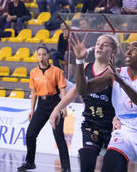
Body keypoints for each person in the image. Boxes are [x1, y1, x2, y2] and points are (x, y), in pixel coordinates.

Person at [49, 34, 118, 172]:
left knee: (112, 166)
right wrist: (57, 109)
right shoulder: (86, 67)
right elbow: (75, 91)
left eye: (105, 44)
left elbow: (124, 100)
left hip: (112, 126)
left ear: (113, 52)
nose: (100, 46)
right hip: (90, 124)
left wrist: (119, 116)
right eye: (98, 43)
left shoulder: (116, 73)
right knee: (87, 158)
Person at [72, 36, 137, 172]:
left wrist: (122, 83)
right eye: (127, 49)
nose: (128, 52)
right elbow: (83, 90)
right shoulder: (115, 73)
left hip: (116, 125)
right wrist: (79, 61)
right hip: (124, 133)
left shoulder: (118, 77)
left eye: (134, 49)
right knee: (110, 163)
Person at [17, 46, 70, 172]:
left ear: (48, 56)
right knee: (30, 134)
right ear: (37, 56)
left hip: (55, 105)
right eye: (39, 54)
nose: (41, 57)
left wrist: (63, 107)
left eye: (44, 54)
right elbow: (33, 92)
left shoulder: (57, 71)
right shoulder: (33, 72)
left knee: (59, 136)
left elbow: (62, 89)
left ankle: (66, 168)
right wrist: (32, 110)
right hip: (41, 106)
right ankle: (30, 162)